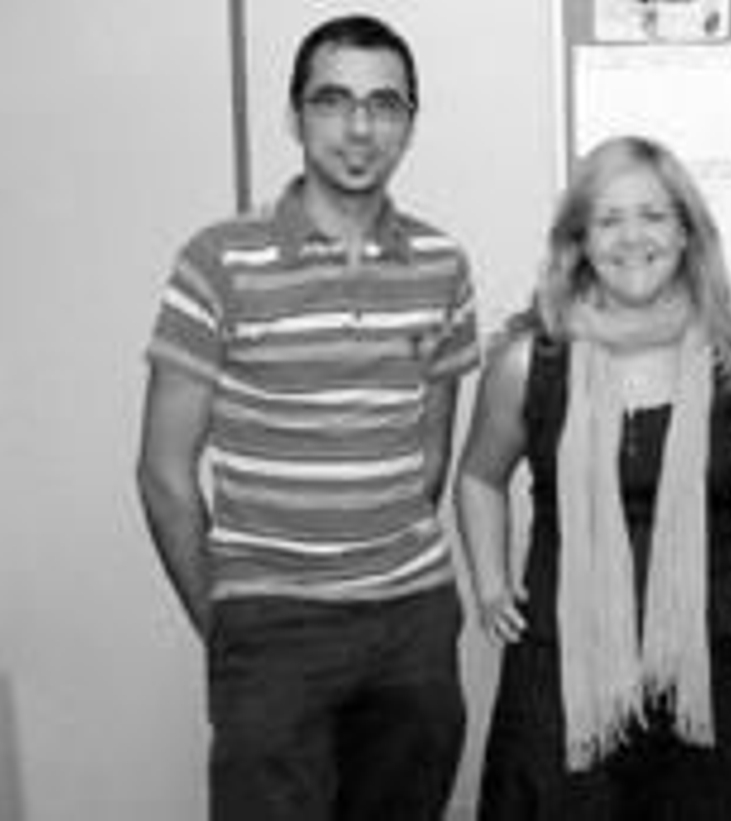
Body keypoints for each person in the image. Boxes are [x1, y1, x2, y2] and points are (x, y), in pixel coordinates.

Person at [134, 15, 478, 821]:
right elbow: (162, 474)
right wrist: (229, 621)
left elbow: (429, 455)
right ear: (295, 116)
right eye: (333, 100)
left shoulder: (442, 265)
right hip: (272, 624)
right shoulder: (219, 261)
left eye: (385, 105)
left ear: (409, 123)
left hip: (412, 626)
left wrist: (387, 573)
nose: (360, 128)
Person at [455, 135, 731, 820]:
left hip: (718, 670)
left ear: (687, 233)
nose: (633, 238)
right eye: (608, 220)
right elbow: (479, 477)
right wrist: (489, 585)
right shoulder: (527, 362)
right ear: (579, 241)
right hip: (561, 672)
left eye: (654, 216)